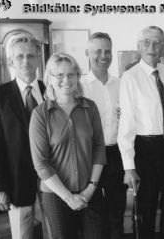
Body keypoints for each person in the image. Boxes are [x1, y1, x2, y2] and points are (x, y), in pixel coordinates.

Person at [29, 53, 107, 239]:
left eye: (72, 74)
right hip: (56, 196)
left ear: (78, 77)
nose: (67, 79)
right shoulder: (40, 115)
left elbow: (99, 148)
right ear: (49, 78)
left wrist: (90, 188)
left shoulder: (90, 107)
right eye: (60, 75)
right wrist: (68, 197)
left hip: (90, 192)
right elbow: (41, 164)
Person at [118, 26, 164, 239]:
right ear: (138, 46)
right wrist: (129, 167)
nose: (151, 47)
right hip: (146, 148)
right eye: (146, 42)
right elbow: (125, 125)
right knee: (146, 207)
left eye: (157, 43)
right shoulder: (129, 77)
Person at [0, 33, 45, 239]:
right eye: (19, 56)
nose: (25, 60)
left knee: (57, 234)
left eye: (30, 55)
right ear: (10, 60)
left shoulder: (51, 92)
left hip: (53, 182)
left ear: (38, 58)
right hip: (17, 184)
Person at [81, 32, 127, 239]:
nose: (103, 55)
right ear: (87, 53)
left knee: (116, 210)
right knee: (93, 212)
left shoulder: (121, 83)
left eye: (107, 51)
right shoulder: (79, 85)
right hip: (89, 156)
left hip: (117, 153)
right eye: (97, 51)